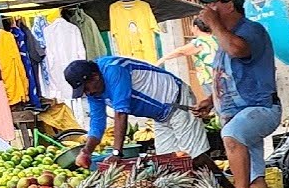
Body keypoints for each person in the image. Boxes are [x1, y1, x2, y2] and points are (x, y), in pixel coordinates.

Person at [189, 0, 280, 188]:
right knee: (255, 178)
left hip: (260, 108)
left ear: (230, 6)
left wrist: (214, 24)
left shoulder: (251, 30)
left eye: (214, 4)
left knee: (231, 136)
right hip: (240, 113)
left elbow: (238, 50)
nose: (209, 10)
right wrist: (211, 100)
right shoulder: (223, 37)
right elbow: (227, 76)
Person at [64, 57, 215, 173]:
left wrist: (117, 153)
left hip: (177, 100)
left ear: (95, 77)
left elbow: (121, 113)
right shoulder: (94, 92)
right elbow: (97, 122)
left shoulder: (114, 69)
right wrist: (86, 152)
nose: (87, 93)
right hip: (161, 116)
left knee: (196, 157)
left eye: (86, 88)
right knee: (168, 164)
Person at [160, 18, 218, 97]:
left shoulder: (199, 42)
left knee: (217, 103)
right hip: (221, 75)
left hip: (209, 78)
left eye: (191, 26)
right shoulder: (216, 38)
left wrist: (162, 60)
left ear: (196, 27)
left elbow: (181, 51)